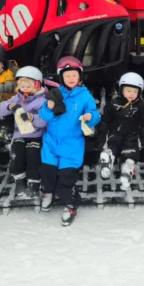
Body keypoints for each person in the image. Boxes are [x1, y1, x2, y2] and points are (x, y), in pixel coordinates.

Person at [39, 56, 101, 226]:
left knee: (66, 180)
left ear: (80, 76)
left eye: (74, 75)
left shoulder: (85, 96)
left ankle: (71, 203)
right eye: (67, 76)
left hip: (72, 145)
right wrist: (48, 107)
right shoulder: (55, 94)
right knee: (48, 173)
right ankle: (48, 192)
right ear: (61, 78)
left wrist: (90, 117)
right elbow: (44, 116)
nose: (71, 79)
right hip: (51, 142)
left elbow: (95, 114)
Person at [0, 66, 48, 198]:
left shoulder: (41, 101)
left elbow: (45, 120)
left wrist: (31, 117)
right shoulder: (16, 98)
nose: (24, 89)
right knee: (17, 156)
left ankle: (33, 181)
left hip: (35, 135)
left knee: (33, 156)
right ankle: (19, 179)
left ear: (36, 86)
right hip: (19, 134)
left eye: (28, 86)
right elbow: (0, 110)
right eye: (22, 86)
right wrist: (8, 106)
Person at [95, 72, 144, 189]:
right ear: (121, 90)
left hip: (132, 135)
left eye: (135, 91)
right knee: (113, 145)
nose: (132, 94)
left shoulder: (141, 106)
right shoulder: (114, 104)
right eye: (128, 90)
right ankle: (108, 159)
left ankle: (127, 169)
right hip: (115, 133)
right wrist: (101, 136)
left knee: (130, 153)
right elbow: (105, 120)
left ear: (139, 92)